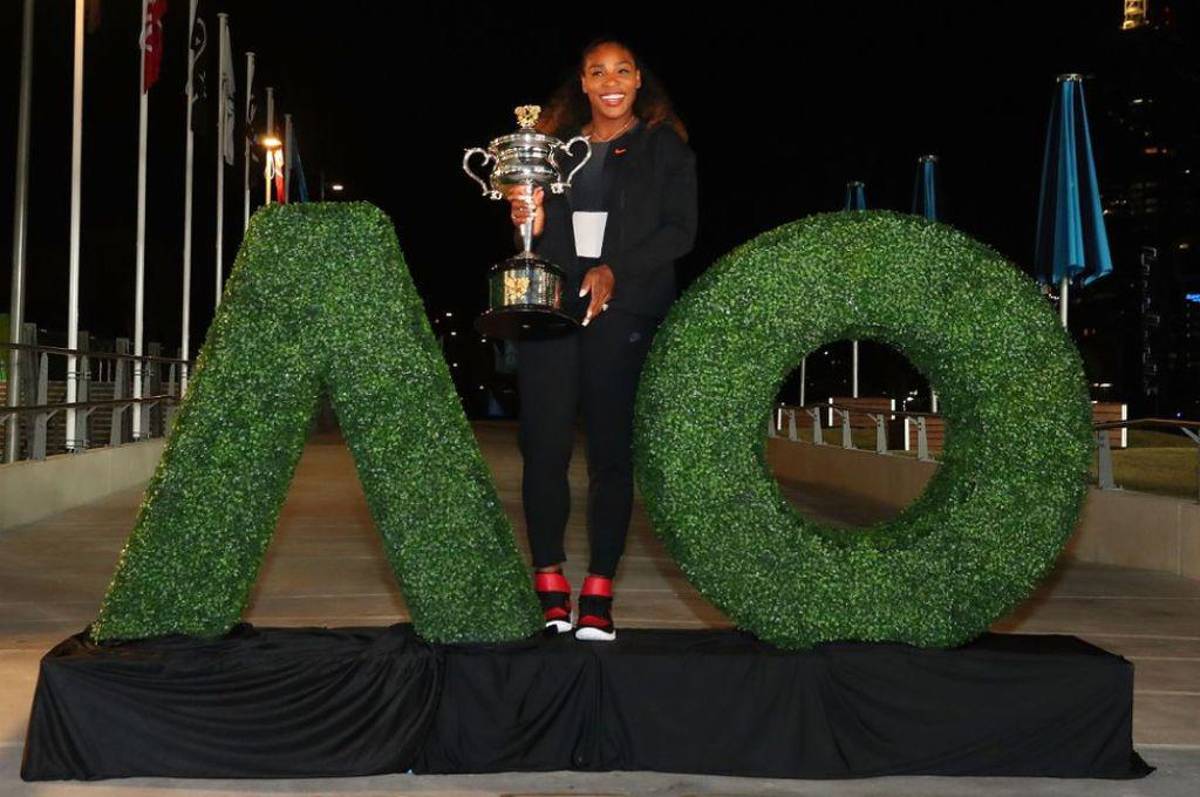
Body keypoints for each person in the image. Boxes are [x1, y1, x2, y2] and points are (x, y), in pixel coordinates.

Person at [506, 37, 697, 641]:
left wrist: (615, 268)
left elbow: (680, 232)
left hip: (627, 311)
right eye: (597, 72)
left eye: (622, 70)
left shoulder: (665, 148)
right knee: (544, 450)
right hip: (554, 310)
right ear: (583, 84)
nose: (610, 81)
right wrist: (524, 216)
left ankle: (599, 588)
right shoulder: (559, 149)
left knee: (612, 455)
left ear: (638, 80)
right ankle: (549, 578)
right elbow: (537, 229)